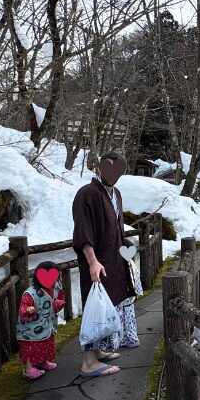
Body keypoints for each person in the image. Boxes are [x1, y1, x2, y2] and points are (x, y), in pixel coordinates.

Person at [72, 151, 138, 378]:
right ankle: (88, 362)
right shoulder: (87, 194)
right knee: (94, 307)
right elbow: (83, 231)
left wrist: (124, 252)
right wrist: (92, 261)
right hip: (96, 262)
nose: (114, 175)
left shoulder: (116, 194)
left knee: (107, 305)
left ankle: (99, 351)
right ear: (100, 168)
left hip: (112, 260)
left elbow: (116, 227)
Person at [17, 261, 67, 380]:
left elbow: (56, 301)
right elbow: (24, 306)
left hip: (46, 324)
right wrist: (29, 309)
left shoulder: (52, 289)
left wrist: (57, 304)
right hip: (32, 328)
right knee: (31, 347)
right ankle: (29, 369)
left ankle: (41, 362)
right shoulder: (31, 293)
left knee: (45, 343)